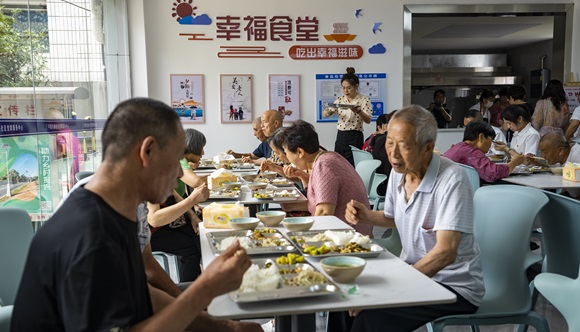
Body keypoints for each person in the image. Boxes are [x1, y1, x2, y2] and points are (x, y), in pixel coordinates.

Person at [11, 98, 252, 331]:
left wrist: (227, 328)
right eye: (176, 160)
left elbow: (142, 292)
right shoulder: (89, 234)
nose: (180, 173)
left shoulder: (119, 206)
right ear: (147, 151)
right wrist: (206, 289)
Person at [329, 105, 484, 332]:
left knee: (371, 315)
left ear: (428, 148)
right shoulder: (399, 172)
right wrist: (367, 215)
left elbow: (445, 253)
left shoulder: (452, 180)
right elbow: (394, 217)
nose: (393, 153)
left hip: (454, 285)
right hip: (414, 272)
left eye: (404, 146)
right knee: (345, 296)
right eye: (390, 142)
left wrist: (392, 290)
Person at [280, 120, 372, 236]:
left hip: (348, 235)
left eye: (286, 153)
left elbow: (324, 212)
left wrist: (307, 238)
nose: (287, 158)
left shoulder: (323, 165)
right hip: (350, 230)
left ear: (300, 152)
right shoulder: (329, 157)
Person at [443, 121, 524, 183]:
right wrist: (514, 163)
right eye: (490, 140)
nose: (491, 144)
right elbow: (493, 173)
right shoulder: (472, 152)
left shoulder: (459, 147)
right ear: (481, 137)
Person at [322, 67, 373, 166]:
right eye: (343, 88)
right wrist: (328, 112)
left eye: (349, 88)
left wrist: (358, 111)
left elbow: (368, 120)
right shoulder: (340, 99)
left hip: (354, 135)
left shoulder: (364, 100)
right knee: (338, 164)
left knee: (352, 166)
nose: (346, 91)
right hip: (341, 136)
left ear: (356, 86)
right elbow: (326, 113)